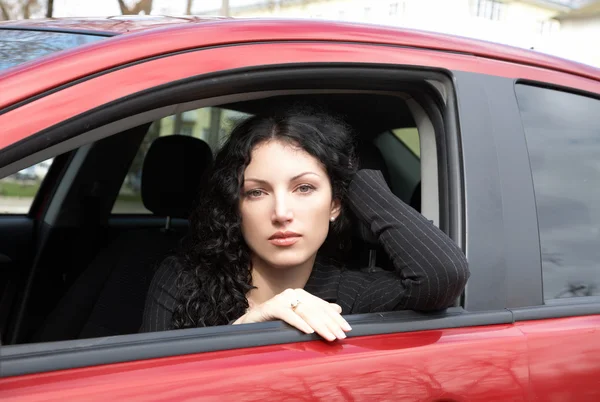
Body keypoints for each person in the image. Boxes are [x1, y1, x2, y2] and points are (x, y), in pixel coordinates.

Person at [141, 108, 469, 341]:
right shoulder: (185, 279)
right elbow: (147, 388)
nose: (282, 212)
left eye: (304, 188)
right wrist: (246, 327)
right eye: (256, 192)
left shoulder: (354, 293)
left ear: (336, 204)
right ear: (235, 206)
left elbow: (443, 273)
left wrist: (349, 175)